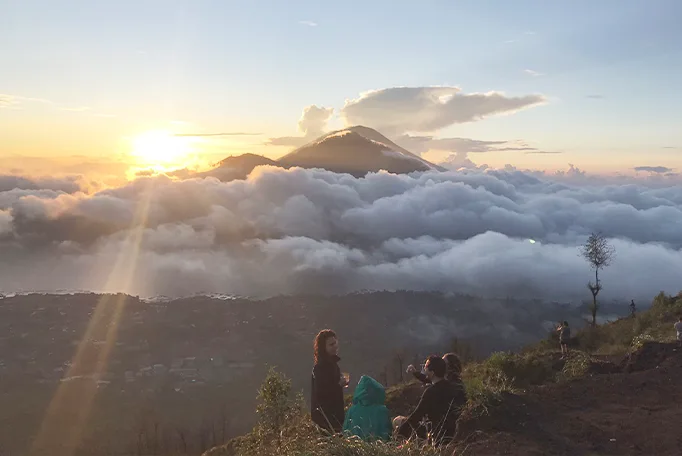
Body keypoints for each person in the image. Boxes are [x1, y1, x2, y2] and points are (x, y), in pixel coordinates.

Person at [395, 356, 467, 447]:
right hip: (453, 433)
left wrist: (400, 435)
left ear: (432, 373)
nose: (424, 369)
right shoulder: (453, 387)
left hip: (439, 437)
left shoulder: (431, 392)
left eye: (426, 367)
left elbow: (417, 415)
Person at [310, 329, 348, 433]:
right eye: (331, 345)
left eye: (335, 343)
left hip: (334, 417)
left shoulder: (333, 365)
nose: (335, 346)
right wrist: (339, 385)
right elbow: (321, 394)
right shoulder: (320, 368)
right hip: (326, 420)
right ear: (323, 348)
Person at [342, 375, 392, 441]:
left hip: (353, 449)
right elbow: (386, 433)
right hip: (377, 449)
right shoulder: (382, 410)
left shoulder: (351, 410)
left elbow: (345, 431)